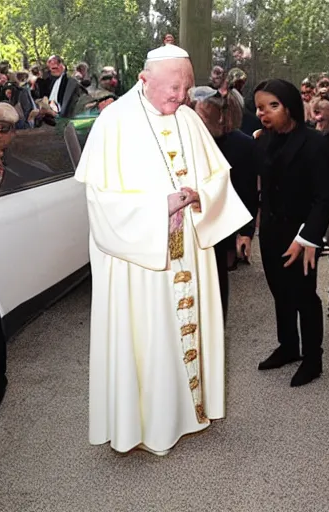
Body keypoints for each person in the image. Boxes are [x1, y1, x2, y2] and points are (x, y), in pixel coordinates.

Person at [74, 44, 251, 456]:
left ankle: (189, 412)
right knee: (147, 336)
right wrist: (158, 207)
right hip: (140, 260)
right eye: (174, 88)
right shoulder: (113, 122)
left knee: (182, 331)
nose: (181, 97)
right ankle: (148, 424)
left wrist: (198, 196)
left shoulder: (189, 118)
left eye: (186, 88)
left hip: (187, 245)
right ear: (144, 78)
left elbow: (218, 179)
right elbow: (100, 202)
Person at [253, 79, 329, 387]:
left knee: (304, 296)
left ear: (289, 107)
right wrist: (249, 231)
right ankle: (288, 347)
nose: (264, 113)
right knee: (279, 292)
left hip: (302, 236)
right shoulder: (261, 141)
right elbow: (257, 191)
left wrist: (309, 236)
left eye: (272, 106)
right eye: (260, 107)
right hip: (271, 232)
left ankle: (313, 358)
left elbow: (325, 197)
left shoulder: (314, 142)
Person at [188, 86, 258, 321]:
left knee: (216, 296)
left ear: (220, 115)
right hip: (187, 232)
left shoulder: (242, 145)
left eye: (202, 117)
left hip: (218, 230)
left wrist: (245, 233)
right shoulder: (181, 146)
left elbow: (247, 192)